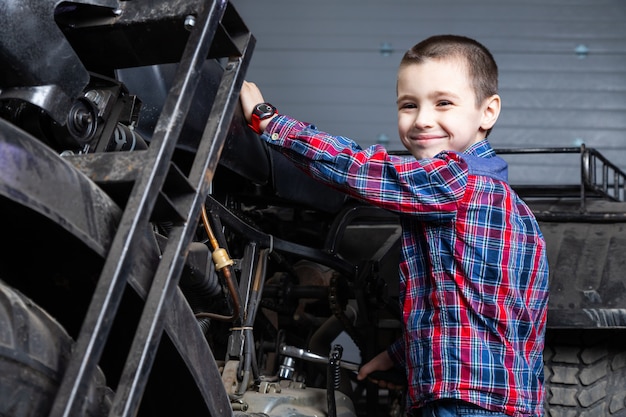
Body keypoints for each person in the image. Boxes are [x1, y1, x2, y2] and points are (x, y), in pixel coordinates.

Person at [239, 34, 549, 417]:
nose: (422, 119)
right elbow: (476, 311)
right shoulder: (504, 200)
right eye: (408, 104)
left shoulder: (454, 182)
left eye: (443, 103)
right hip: (494, 399)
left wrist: (269, 121)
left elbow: (357, 168)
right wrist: (397, 354)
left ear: (488, 111)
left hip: (466, 404)